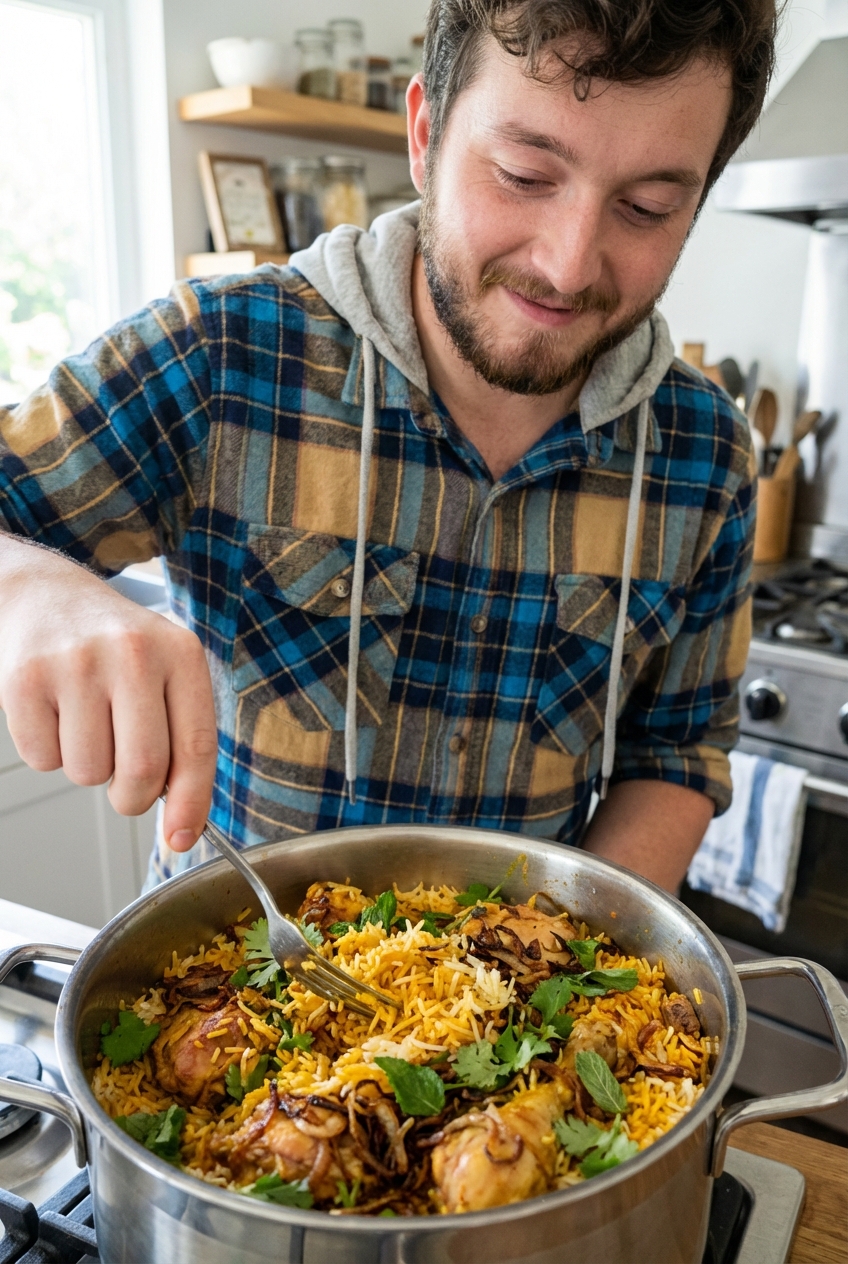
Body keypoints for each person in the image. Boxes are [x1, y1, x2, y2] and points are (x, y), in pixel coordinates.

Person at [0, 0, 770, 894]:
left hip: (522, 1009)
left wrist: (566, 975)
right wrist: (27, 587)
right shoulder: (221, 353)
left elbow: (675, 753)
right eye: (524, 174)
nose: (567, 264)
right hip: (233, 991)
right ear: (424, 136)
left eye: (646, 207)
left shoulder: (708, 451)